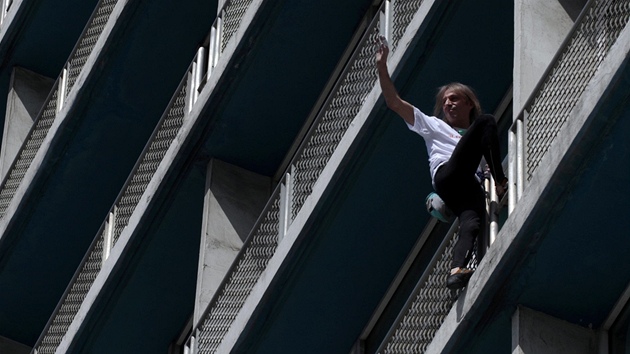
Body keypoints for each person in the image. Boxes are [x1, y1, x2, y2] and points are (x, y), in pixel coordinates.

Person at [375, 36, 508, 290]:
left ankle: (457, 270)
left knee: (472, 220)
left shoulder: (476, 148)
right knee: (488, 121)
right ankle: (501, 184)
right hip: (448, 175)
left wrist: (487, 169)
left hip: (466, 187)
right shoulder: (433, 125)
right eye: (445, 100)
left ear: (469, 103)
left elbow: (481, 160)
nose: (448, 103)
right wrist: (382, 67)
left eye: (454, 99)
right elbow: (394, 103)